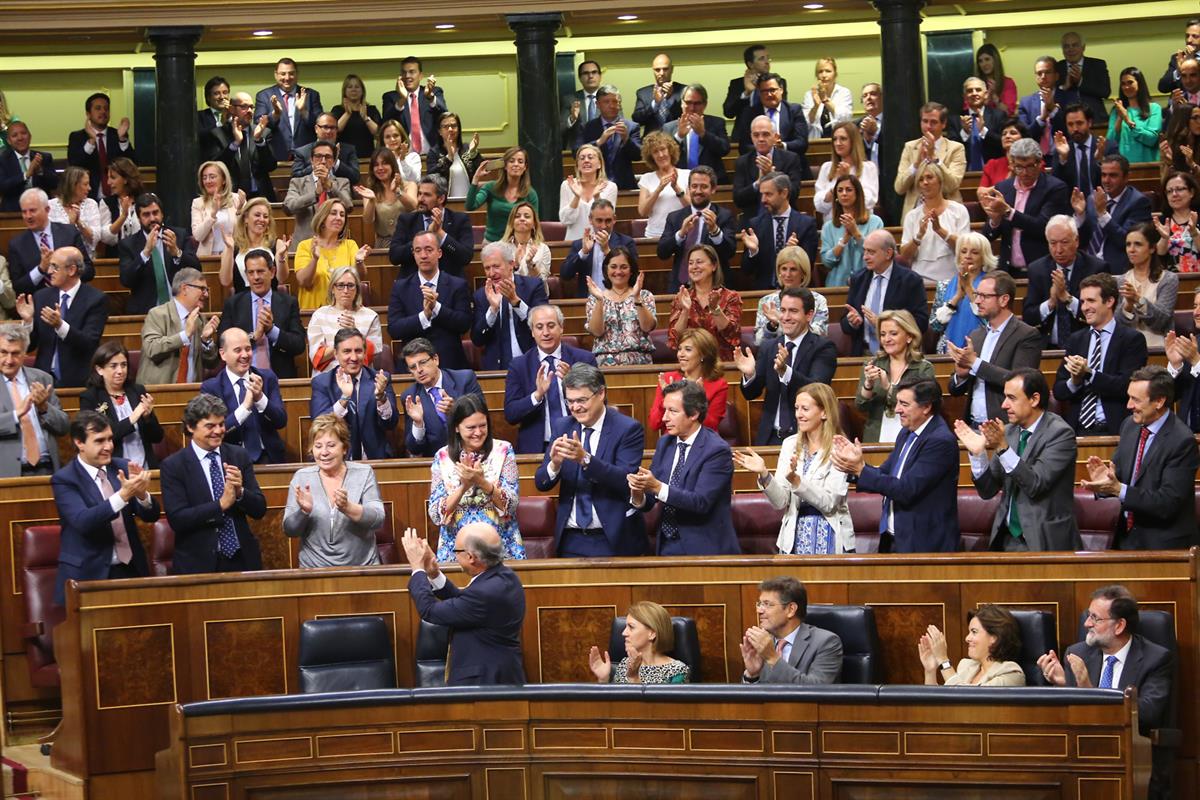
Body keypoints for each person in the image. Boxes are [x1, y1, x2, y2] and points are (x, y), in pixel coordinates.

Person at [956, 367, 1081, 552]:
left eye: (1012, 398)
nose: (1004, 405)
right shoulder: (1009, 432)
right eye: (1005, 397)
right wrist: (978, 455)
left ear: (1034, 399)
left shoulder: (1060, 434)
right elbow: (988, 491)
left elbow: (1035, 484)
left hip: (1045, 540)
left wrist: (1002, 448)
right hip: (1006, 539)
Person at [833, 378, 960, 553]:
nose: (897, 409)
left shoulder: (940, 441)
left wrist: (861, 470)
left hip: (924, 545)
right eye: (898, 402)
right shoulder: (906, 433)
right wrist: (856, 465)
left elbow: (906, 490)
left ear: (926, 407)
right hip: (895, 538)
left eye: (904, 404)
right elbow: (886, 473)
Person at [535, 363, 647, 558]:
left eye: (581, 400)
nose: (575, 408)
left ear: (601, 393)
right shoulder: (562, 426)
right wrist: (555, 464)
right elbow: (541, 483)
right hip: (571, 539)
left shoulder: (628, 429)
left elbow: (624, 479)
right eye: (570, 401)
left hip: (612, 538)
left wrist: (585, 459)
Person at [1081, 366, 1200, 550]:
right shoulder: (1130, 425)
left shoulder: (1182, 441)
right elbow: (1119, 478)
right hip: (1125, 539)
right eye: (1129, 397)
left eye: (1135, 400)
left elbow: (1167, 503)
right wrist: (1105, 482)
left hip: (1164, 547)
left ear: (1159, 401)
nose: (1129, 405)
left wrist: (1119, 489)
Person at [51, 410, 158, 605]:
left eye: (110, 439)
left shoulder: (122, 467)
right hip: (89, 575)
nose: (109, 446)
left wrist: (142, 495)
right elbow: (83, 521)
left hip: (131, 569)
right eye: (100, 441)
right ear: (79, 443)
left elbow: (151, 515)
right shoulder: (65, 479)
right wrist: (124, 495)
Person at [401, 522, 526, 686]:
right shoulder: (506, 577)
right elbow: (466, 604)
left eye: (456, 551)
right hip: (501, 676)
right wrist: (433, 573)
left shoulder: (484, 593)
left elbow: (429, 611)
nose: (454, 555)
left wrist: (417, 568)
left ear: (471, 557)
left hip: (484, 686)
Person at [734, 383, 853, 554]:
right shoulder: (790, 444)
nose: (798, 414)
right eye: (796, 408)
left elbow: (829, 503)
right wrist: (764, 473)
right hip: (794, 541)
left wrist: (797, 481)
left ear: (824, 412)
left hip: (831, 540)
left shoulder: (841, 448)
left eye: (805, 409)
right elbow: (780, 501)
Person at [1038, 585, 1172, 731]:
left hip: (1130, 746)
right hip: (1083, 742)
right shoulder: (1077, 654)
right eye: (1089, 615)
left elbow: (1148, 714)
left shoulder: (1155, 659)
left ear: (1119, 626)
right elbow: (1069, 715)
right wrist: (1064, 685)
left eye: (1095, 618)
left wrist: (1088, 691)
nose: (1087, 623)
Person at [630, 379, 739, 556]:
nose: (665, 417)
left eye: (672, 411)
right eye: (665, 409)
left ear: (694, 413)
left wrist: (657, 486)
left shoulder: (716, 450)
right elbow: (651, 498)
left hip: (705, 550)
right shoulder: (665, 443)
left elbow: (701, 502)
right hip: (665, 546)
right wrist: (638, 492)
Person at [160, 393, 266, 573]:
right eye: (210, 426)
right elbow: (178, 519)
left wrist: (240, 493)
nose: (218, 431)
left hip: (242, 560)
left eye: (221, 424)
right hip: (198, 564)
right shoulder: (173, 466)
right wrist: (220, 505)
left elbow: (259, 509)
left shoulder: (238, 456)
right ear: (190, 427)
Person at [428, 394, 524, 562]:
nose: (478, 433)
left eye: (483, 426)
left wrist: (482, 482)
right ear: (457, 428)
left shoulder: (503, 451)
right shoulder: (443, 457)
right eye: (471, 427)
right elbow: (436, 514)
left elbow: (512, 505)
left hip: (500, 545)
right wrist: (463, 487)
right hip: (456, 548)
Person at [735, 288, 836, 446]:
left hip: (807, 437)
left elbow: (817, 389)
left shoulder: (823, 348)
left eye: (793, 311)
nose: (786, 317)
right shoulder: (769, 347)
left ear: (809, 315)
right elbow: (751, 393)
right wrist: (750, 375)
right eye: (783, 310)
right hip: (770, 438)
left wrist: (786, 372)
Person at [1053, 273, 1148, 435]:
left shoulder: (1131, 340)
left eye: (1091, 301)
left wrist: (1089, 373)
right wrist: (1074, 381)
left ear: (1109, 301)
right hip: (1076, 430)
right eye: (1082, 301)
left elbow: (1125, 386)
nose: (1084, 307)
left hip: (1115, 429)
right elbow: (1059, 391)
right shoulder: (1076, 340)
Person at [284, 414, 385, 567]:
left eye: (331, 445)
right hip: (314, 571)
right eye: (318, 446)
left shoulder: (364, 473)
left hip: (362, 569)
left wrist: (348, 507)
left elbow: (378, 519)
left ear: (344, 448)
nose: (324, 452)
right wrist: (303, 512)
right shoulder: (302, 478)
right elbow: (289, 529)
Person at [946, 271, 1042, 428]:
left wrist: (974, 363)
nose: (977, 301)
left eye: (984, 296)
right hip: (973, 425)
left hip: (1006, 426)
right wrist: (961, 375)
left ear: (1004, 299)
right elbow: (954, 390)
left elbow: (1020, 382)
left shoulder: (1026, 335)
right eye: (977, 295)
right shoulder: (976, 335)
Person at [503, 305, 599, 455]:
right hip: (538, 447)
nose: (546, 333)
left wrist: (573, 383)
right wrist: (537, 395)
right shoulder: (519, 365)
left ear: (561, 328)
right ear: (532, 332)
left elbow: (600, 404)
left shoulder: (584, 359)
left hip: (579, 442)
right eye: (539, 327)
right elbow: (511, 414)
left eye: (551, 326)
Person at [15, 245, 107, 388]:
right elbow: (29, 346)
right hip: (42, 381)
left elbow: (89, 343)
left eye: (55, 267)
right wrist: (28, 322)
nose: (49, 271)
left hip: (78, 381)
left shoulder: (96, 299)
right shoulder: (41, 297)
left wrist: (60, 325)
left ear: (71, 270)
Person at [979, 137, 1071, 276]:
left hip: (1042, 270)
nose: (1025, 172)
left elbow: (1043, 227)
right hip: (1008, 270)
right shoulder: (1003, 188)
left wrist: (1008, 212)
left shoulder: (1055, 188)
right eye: (1019, 167)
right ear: (1012, 165)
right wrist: (995, 220)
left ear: (1039, 163)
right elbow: (988, 236)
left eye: (1030, 166)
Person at [199, 327, 288, 465]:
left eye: (248, 349)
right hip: (230, 462)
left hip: (269, 458)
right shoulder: (211, 388)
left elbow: (281, 421)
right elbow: (215, 431)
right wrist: (245, 408)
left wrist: (260, 399)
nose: (245, 355)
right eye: (238, 350)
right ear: (223, 354)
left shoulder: (267, 378)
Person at [387, 230, 471, 370]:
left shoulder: (458, 284)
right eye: (418, 251)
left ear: (439, 253)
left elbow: (464, 324)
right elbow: (394, 329)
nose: (423, 255)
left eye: (429, 250)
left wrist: (436, 308)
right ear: (413, 254)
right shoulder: (401, 287)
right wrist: (424, 316)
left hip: (450, 365)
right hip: (412, 366)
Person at [309, 328, 398, 460]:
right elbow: (320, 426)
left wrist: (381, 398)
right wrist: (344, 399)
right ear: (335, 354)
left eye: (358, 351)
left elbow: (391, 423)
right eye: (347, 351)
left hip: (375, 460)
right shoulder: (322, 383)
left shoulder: (380, 378)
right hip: (336, 461)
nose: (354, 358)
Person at [217, 249, 305, 380]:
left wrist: (272, 330)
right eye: (251, 272)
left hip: (279, 379)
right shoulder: (233, 304)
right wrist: (252, 337)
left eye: (260, 271)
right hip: (242, 379)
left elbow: (299, 345)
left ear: (272, 272)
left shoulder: (288, 303)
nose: (256, 277)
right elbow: (222, 343)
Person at [840, 230, 929, 357]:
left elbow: (921, 322)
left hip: (900, 355)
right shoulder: (858, 279)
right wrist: (851, 322)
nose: (865, 256)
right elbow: (844, 322)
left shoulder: (910, 281)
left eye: (871, 252)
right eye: (864, 251)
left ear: (888, 253)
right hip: (864, 355)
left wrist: (884, 324)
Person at [1023, 215, 1107, 348]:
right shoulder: (1037, 269)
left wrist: (1067, 298)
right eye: (1053, 243)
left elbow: (1102, 314)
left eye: (1064, 242)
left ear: (1077, 241)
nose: (1059, 250)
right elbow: (1028, 316)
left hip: (1086, 346)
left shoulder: (1096, 268)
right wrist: (1051, 302)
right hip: (1047, 346)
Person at [740, 576, 842, 685]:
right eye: (759, 604)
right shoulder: (762, 643)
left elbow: (816, 690)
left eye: (767, 604)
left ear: (791, 610)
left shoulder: (826, 642)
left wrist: (773, 658)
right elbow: (749, 699)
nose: (759, 610)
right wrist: (752, 675)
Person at [79, 341, 163, 469]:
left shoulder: (137, 391)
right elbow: (98, 437)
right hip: (111, 470)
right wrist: (132, 418)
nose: (120, 371)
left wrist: (148, 418)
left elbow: (157, 437)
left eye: (123, 365)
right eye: (113, 366)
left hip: (145, 467)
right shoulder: (90, 398)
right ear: (99, 369)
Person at [854, 310, 934, 443]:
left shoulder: (923, 368)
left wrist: (888, 387)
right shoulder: (872, 364)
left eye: (893, 333)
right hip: (877, 437)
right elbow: (860, 407)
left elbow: (924, 406)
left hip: (912, 438)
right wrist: (868, 384)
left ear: (909, 336)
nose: (887, 339)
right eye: (883, 334)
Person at [0, 322, 68, 477]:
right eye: (3, 352)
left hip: (48, 468)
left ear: (25, 354)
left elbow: (63, 427)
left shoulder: (42, 379)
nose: (9, 360)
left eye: (16, 353)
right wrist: (16, 414)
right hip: (7, 474)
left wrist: (44, 407)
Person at [399, 337, 485, 458]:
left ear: (435, 359)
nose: (419, 370)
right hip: (436, 463)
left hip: (473, 455)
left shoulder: (465, 379)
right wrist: (418, 424)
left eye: (423, 362)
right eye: (413, 367)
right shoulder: (410, 396)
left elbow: (483, 417)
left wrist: (456, 411)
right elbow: (413, 448)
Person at [471, 241, 549, 371]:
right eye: (487, 268)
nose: (491, 273)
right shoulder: (481, 296)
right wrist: (493, 310)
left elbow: (543, 323)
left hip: (533, 365)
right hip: (497, 370)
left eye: (496, 266)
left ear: (511, 264)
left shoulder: (533, 286)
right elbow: (477, 340)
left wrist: (515, 301)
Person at [118, 192, 200, 315]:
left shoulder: (179, 235)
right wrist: (144, 254)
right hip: (147, 312)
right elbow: (126, 280)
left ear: (162, 214)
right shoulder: (128, 244)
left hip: (180, 309)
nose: (152, 218)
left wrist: (177, 253)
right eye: (146, 214)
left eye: (155, 213)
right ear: (139, 218)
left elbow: (197, 269)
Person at [135, 267, 220, 386]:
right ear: (185, 288)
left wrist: (206, 341)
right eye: (202, 289)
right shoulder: (158, 314)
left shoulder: (201, 320)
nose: (206, 294)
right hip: (158, 393)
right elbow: (152, 348)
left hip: (191, 394)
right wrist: (185, 335)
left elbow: (211, 364)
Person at [657, 166, 736, 291]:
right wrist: (681, 234)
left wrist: (715, 230)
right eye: (694, 186)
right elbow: (662, 252)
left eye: (704, 186)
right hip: (681, 287)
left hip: (715, 287)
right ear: (688, 188)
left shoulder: (724, 216)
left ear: (713, 189)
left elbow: (730, 251)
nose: (698, 191)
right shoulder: (675, 217)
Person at [9, 187, 93, 297]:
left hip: (73, 301)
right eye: (24, 212)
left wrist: (64, 273)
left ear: (47, 209)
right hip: (38, 306)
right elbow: (18, 287)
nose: (28, 216)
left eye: (32, 210)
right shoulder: (17, 245)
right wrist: (40, 270)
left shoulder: (69, 233)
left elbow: (89, 271)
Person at [740, 173, 818, 290]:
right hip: (764, 291)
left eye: (768, 194)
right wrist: (753, 251)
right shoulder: (755, 225)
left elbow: (809, 264)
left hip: (797, 291)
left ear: (784, 193)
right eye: (762, 194)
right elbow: (747, 270)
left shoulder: (806, 224)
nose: (763, 200)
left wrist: (796, 253)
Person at [1075, 155, 1152, 273]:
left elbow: (1125, 240)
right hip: (1089, 268)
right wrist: (1080, 215)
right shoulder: (1092, 199)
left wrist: (1102, 214)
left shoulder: (1139, 202)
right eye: (1104, 175)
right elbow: (1083, 240)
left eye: (1113, 175)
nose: (1106, 180)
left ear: (1126, 177)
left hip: (1118, 270)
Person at [388, 174, 475, 278]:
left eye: (427, 195)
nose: (420, 199)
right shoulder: (407, 220)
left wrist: (440, 234)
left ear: (441, 198)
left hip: (449, 286)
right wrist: (422, 240)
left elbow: (465, 257)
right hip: (414, 284)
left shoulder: (459, 220)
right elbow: (394, 256)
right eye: (419, 194)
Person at [899, 161, 971, 283]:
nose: (925, 183)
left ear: (940, 181)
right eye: (921, 179)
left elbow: (965, 248)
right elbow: (905, 256)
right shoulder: (912, 216)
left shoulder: (958, 210)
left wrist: (940, 231)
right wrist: (918, 236)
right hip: (921, 281)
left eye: (929, 177)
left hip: (952, 280)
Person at [668, 243, 742, 361]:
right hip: (691, 364)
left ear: (714, 266)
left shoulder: (730, 297)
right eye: (691, 263)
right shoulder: (681, 298)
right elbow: (675, 338)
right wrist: (685, 311)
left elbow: (732, 334)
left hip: (721, 363)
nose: (694, 266)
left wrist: (715, 308)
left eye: (699, 262)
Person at [293, 198, 370, 311]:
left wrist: (359, 261)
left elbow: (360, 277)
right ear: (322, 218)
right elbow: (304, 281)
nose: (338, 218)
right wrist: (314, 259)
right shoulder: (305, 246)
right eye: (333, 213)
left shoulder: (350, 245)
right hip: (313, 313)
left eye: (342, 215)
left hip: (344, 313)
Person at [919, 606, 1025, 686]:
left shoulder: (1011, 673)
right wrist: (930, 671)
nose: (967, 638)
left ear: (995, 637)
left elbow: (965, 700)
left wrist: (943, 660)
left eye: (974, 632)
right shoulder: (966, 666)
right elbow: (938, 704)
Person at [649, 327, 728, 433]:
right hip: (672, 444)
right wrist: (666, 398)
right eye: (679, 349)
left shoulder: (718, 385)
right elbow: (654, 424)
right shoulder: (668, 380)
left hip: (702, 445)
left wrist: (696, 401)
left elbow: (711, 426)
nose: (681, 354)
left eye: (688, 349)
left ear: (703, 354)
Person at [586, 246, 655, 366]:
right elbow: (597, 332)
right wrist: (600, 300)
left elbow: (647, 327)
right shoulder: (594, 299)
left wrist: (637, 298)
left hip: (640, 363)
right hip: (605, 363)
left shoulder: (644, 295)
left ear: (631, 270)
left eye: (624, 267)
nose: (618, 272)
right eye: (613, 267)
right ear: (606, 270)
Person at [589, 601, 689, 684]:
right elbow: (614, 706)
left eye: (631, 627)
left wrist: (634, 678)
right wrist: (604, 680)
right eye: (625, 627)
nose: (624, 633)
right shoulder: (625, 664)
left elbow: (667, 708)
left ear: (652, 633)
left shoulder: (677, 671)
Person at [894, 102, 966, 218]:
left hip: (948, 213)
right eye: (925, 121)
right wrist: (916, 165)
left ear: (943, 124)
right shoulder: (910, 147)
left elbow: (952, 185)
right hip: (915, 213)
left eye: (933, 122)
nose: (928, 126)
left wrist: (935, 159)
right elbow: (899, 187)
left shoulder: (956, 148)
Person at [930, 231, 995, 354]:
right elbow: (935, 325)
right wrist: (957, 297)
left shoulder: (992, 284)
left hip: (981, 351)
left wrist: (969, 289)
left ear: (984, 257)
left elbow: (990, 322)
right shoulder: (944, 285)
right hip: (948, 351)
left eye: (974, 252)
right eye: (963, 251)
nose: (968, 256)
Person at [732, 116, 807, 223]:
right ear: (751, 137)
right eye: (756, 135)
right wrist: (758, 184)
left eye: (766, 134)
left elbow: (794, 194)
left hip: (785, 219)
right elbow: (738, 199)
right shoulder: (742, 162)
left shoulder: (790, 158)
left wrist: (772, 175)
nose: (761, 139)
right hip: (753, 220)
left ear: (776, 137)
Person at [1116, 223, 1178, 349]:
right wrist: (1127, 306)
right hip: (1128, 350)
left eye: (1138, 244)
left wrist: (1139, 300)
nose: (1131, 249)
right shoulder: (1121, 281)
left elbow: (1161, 321)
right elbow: (1116, 325)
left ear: (1152, 248)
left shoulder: (1168, 279)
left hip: (1159, 350)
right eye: (1128, 244)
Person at [66, 92, 135, 204]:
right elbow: (74, 165)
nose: (103, 112)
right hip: (88, 197)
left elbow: (132, 165)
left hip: (116, 198)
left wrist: (122, 139)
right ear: (88, 113)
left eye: (106, 109)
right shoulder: (77, 137)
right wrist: (91, 141)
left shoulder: (116, 134)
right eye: (98, 108)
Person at [208, 91, 277, 202]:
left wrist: (259, 141)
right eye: (244, 107)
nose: (249, 111)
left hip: (260, 197)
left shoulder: (263, 132)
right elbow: (216, 168)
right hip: (230, 198)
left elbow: (271, 166)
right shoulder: (218, 134)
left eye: (251, 107)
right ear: (231, 109)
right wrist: (235, 144)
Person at [733, 74, 810, 173]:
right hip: (758, 167)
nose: (769, 94)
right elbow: (743, 147)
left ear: (781, 90)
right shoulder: (749, 113)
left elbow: (802, 143)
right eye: (764, 91)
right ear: (759, 93)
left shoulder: (794, 110)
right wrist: (766, 148)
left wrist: (782, 146)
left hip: (791, 167)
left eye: (772, 90)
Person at [283, 141, 354, 247]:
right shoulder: (298, 182)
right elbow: (288, 207)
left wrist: (330, 187)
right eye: (318, 156)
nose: (323, 161)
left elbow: (348, 206)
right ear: (311, 160)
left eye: (328, 157)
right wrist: (315, 194)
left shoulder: (342, 183)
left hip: (334, 245)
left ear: (334, 161)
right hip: (304, 245)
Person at [819, 174, 884, 289]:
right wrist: (843, 241)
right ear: (836, 196)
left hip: (867, 285)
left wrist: (855, 233)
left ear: (858, 194)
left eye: (848, 190)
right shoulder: (829, 227)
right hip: (837, 285)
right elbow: (827, 261)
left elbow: (877, 254)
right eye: (840, 190)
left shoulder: (875, 222)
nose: (844, 193)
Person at [754, 247, 829, 343]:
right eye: (784, 269)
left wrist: (781, 322)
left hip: (807, 353)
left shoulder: (818, 301)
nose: (788, 274)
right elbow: (759, 341)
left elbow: (820, 335)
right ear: (779, 272)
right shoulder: (766, 301)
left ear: (803, 273)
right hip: (774, 353)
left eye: (793, 269)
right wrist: (772, 325)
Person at [466, 146, 539, 243]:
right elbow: (470, 206)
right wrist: (476, 178)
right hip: (492, 244)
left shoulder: (530, 193)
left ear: (525, 167)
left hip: (519, 244)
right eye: (512, 161)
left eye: (520, 161)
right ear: (505, 165)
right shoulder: (490, 187)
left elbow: (534, 223)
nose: (516, 164)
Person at [254, 58, 322, 161]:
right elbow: (258, 125)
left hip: (306, 157)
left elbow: (320, 125)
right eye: (283, 74)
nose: (287, 77)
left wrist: (303, 111)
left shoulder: (311, 95)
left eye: (291, 73)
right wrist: (275, 114)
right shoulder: (264, 96)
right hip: (275, 156)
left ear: (297, 74)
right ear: (276, 74)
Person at [220, 198, 290, 294]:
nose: (262, 220)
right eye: (257, 215)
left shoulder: (278, 245)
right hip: (242, 302)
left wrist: (281, 257)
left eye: (265, 216)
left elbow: (282, 279)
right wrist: (229, 250)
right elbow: (225, 281)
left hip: (270, 302)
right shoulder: (232, 247)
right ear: (246, 218)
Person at [663, 84, 730, 184]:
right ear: (682, 103)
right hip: (678, 183)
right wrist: (679, 136)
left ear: (705, 104)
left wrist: (703, 134)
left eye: (697, 103)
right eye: (688, 103)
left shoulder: (716, 123)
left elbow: (724, 149)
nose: (692, 108)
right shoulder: (669, 127)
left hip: (711, 183)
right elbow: (664, 156)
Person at [580, 85, 643, 190]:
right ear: (598, 105)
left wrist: (626, 139)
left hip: (624, 186)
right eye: (606, 102)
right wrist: (599, 142)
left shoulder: (632, 126)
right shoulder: (588, 127)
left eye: (615, 102)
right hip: (595, 186)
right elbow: (577, 153)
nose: (612, 105)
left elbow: (638, 155)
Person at [381, 56, 447, 157]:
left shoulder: (433, 92)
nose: (407, 76)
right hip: (404, 157)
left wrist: (430, 97)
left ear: (420, 76)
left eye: (412, 72)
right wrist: (402, 100)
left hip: (432, 156)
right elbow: (386, 122)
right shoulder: (390, 97)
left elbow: (445, 116)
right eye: (404, 72)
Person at [813, 121, 878, 221]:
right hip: (833, 226)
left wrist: (849, 179)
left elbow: (869, 201)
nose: (838, 143)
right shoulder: (827, 168)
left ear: (853, 141)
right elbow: (819, 205)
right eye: (835, 139)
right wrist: (836, 185)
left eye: (843, 139)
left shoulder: (868, 168)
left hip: (861, 225)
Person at [1017, 57, 1079, 159]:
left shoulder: (1070, 98)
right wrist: (1041, 119)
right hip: (1034, 159)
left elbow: (1072, 131)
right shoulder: (1026, 102)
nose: (1043, 76)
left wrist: (1053, 110)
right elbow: (1024, 137)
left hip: (1063, 156)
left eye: (1048, 72)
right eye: (1039, 73)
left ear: (1056, 76)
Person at [48, 166, 111, 262]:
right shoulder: (50, 206)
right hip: (58, 261)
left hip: (85, 261)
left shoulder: (91, 204)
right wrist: (70, 224)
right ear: (73, 185)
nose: (89, 188)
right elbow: (51, 239)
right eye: (85, 184)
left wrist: (79, 222)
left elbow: (95, 238)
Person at [356, 148, 416, 249]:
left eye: (384, 163)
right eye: (376, 165)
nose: (380, 168)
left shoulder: (409, 186)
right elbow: (368, 220)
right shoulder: (370, 191)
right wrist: (371, 200)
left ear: (392, 165)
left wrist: (397, 192)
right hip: (384, 244)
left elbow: (413, 206)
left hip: (409, 242)